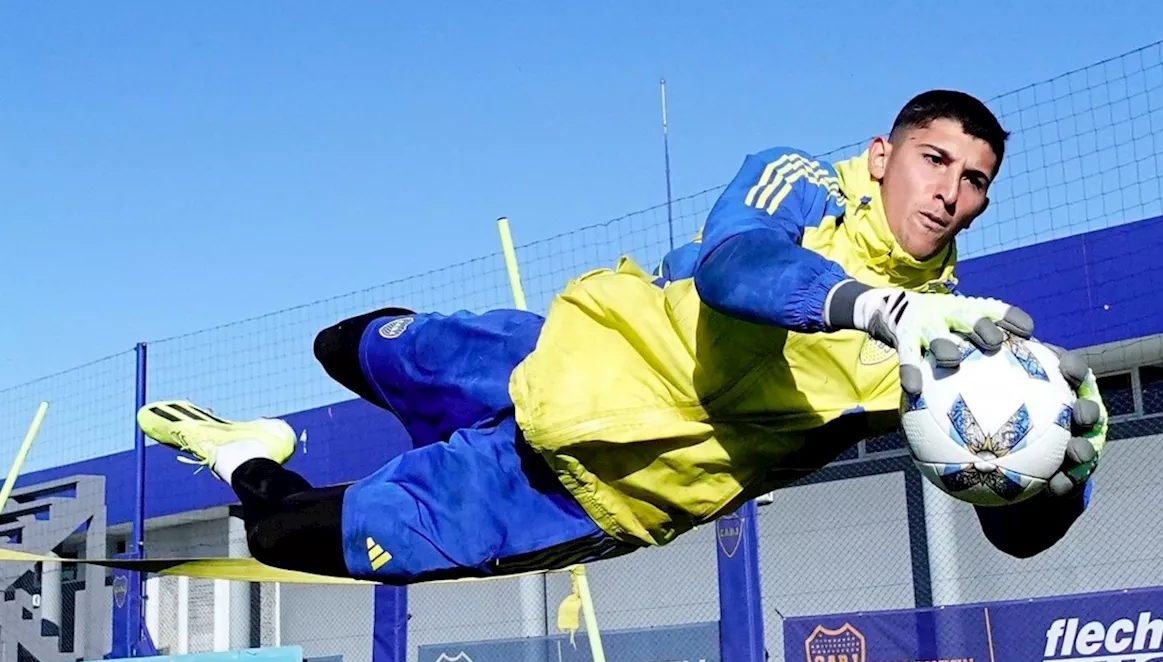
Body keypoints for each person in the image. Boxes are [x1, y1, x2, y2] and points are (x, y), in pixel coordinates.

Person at [138, 90, 1108, 584]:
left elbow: (1005, 520)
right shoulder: (801, 183)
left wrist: (1061, 474)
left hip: (585, 491)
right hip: (551, 353)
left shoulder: (955, 350)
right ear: (880, 154)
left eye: (973, 180)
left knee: (285, 533)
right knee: (347, 344)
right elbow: (734, 266)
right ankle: (421, 417)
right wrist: (874, 306)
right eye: (934, 159)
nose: (948, 191)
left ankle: (241, 451)